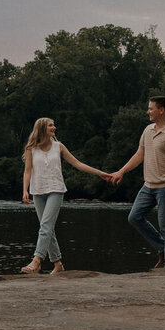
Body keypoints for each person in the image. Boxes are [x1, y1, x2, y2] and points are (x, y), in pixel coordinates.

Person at [21, 117, 111, 274]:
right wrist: (25, 190)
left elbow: (78, 164)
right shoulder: (31, 148)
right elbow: (27, 170)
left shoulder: (58, 147)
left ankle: (36, 261)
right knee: (47, 228)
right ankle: (58, 264)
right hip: (37, 191)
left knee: (45, 226)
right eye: (51, 125)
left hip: (56, 189)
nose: (54, 127)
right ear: (42, 128)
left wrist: (100, 173)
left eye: (54, 125)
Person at [110, 96, 165, 269]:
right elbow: (139, 154)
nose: (148, 111)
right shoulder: (148, 130)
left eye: (151, 108)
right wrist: (121, 171)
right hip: (148, 185)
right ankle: (162, 248)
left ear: (162, 110)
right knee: (134, 217)